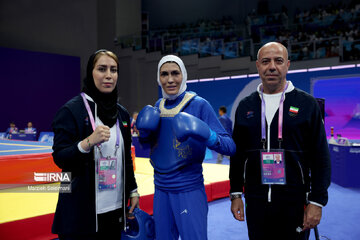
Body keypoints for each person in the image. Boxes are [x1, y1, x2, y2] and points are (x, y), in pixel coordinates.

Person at [229, 42, 331, 240]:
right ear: (258, 65)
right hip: (256, 202)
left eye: (278, 61)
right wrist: (235, 194)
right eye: (266, 61)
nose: (272, 66)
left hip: (295, 201)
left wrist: (317, 201)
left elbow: (321, 157)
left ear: (288, 65)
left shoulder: (307, 104)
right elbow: (237, 155)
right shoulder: (245, 106)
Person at [136, 55, 236, 240]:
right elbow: (156, 148)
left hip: (188, 189)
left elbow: (230, 147)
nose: (170, 79)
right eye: (164, 74)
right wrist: (143, 134)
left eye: (175, 73)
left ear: (184, 75)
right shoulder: (158, 106)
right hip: (160, 189)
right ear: (159, 78)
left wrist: (207, 134)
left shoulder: (198, 104)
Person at [51, 49, 139, 240]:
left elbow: (126, 160)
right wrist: (87, 142)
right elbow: (59, 157)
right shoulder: (71, 110)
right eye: (102, 69)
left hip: (114, 209)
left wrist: (132, 189)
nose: (108, 75)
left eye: (113, 70)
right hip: (80, 212)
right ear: (91, 72)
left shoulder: (121, 114)